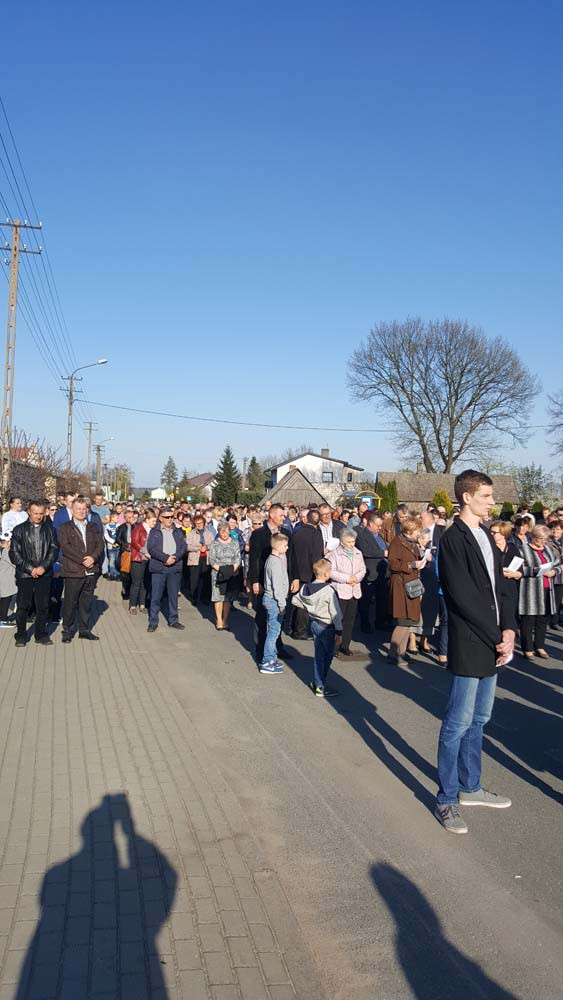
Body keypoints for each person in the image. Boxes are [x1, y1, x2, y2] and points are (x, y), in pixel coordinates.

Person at [436, 470, 516, 835]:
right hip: (470, 642)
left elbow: (500, 588)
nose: (492, 502)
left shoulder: (485, 534)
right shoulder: (453, 539)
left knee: (480, 719)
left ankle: (471, 787)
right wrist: (496, 635)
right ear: (466, 497)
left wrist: (510, 629)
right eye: (486, 496)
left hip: (494, 641)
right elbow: (462, 596)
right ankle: (447, 798)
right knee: (457, 722)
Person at [248, 503, 298, 664]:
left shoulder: (286, 533)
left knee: (279, 617)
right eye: (281, 515)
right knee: (262, 617)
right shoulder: (259, 534)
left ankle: (278, 646)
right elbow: (254, 559)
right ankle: (261, 651)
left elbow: (292, 557)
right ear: (272, 515)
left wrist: (295, 577)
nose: (284, 518)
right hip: (265, 583)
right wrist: (255, 581)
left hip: (283, 582)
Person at [9, 501, 58, 647]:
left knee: (43, 605)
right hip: (25, 574)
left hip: (44, 573)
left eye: (41, 513)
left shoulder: (50, 529)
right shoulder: (19, 530)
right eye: (35, 513)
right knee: (23, 605)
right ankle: (21, 635)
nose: (38, 516)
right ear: (29, 512)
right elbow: (14, 554)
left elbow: (54, 550)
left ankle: (41, 634)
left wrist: (43, 567)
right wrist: (31, 569)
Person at [292, 557, 343, 696]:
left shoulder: (306, 587)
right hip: (327, 626)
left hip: (315, 623)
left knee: (319, 655)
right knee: (327, 656)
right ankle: (320, 685)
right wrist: (339, 630)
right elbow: (335, 613)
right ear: (326, 574)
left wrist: (309, 608)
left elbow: (294, 600)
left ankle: (318, 682)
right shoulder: (329, 590)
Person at [59, 497, 104, 642]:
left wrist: (93, 558)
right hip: (73, 570)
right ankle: (67, 630)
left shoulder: (93, 526)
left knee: (86, 603)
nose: (81, 511)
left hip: (91, 570)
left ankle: (84, 630)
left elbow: (100, 544)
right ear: (72, 510)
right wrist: (83, 560)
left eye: (84, 508)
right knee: (70, 602)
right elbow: (65, 547)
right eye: (78, 508)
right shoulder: (65, 527)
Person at [387, 517, 425, 665]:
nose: (419, 534)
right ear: (410, 531)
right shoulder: (397, 542)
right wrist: (411, 565)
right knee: (402, 621)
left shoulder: (412, 543)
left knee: (408, 621)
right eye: (417, 531)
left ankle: (401, 652)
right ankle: (393, 654)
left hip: (411, 584)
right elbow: (393, 564)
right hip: (401, 585)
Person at [518, 524, 559, 659]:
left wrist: (554, 571)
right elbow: (518, 569)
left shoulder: (548, 549)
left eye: (545, 539)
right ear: (533, 537)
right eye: (541, 538)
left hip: (547, 589)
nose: (543, 541)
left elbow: (558, 564)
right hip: (530, 590)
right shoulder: (523, 549)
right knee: (528, 620)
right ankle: (528, 648)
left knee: (542, 619)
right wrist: (536, 571)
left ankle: (540, 646)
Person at [327, 528, 366, 659]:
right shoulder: (334, 554)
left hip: (354, 590)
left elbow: (363, 569)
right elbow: (331, 571)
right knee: (338, 620)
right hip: (341, 590)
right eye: (348, 542)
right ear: (342, 542)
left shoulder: (358, 553)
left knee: (350, 620)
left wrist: (356, 578)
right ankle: (334, 646)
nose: (351, 544)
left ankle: (345, 645)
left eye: (353, 541)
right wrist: (347, 578)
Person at [146, 506, 187, 632]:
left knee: (173, 596)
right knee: (156, 596)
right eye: (167, 517)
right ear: (160, 518)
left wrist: (175, 557)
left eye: (172, 517)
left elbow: (183, 547)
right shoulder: (154, 531)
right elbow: (151, 548)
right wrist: (165, 558)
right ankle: (153, 621)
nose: (170, 519)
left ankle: (173, 620)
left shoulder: (178, 531)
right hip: (159, 567)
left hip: (174, 567)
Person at [259, 532, 289, 673]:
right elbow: (277, 586)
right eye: (285, 545)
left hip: (272, 599)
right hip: (274, 600)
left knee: (274, 631)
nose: (287, 547)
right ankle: (267, 661)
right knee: (273, 632)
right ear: (277, 546)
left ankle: (272, 658)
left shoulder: (273, 560)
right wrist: (282, 604)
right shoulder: (275, 562)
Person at [290, 510, 323, 640]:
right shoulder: (316, 535)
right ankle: (300, 631)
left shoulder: (297, 532)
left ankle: (293, 627)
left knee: (295, 600)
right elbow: (316, 556)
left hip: (296, 570)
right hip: (309, 572)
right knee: (304, 604)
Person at [355, 513, 388, 632]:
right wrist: (383, 553)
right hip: (370, 572)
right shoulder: (362, 535)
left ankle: (380, 622)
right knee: (366, 601)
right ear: (370, 524)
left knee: (382, 599)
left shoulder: (379, 536)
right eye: (378, 526)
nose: (380, 528)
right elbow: (366, 551)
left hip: (382, 572)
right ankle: (365, 624)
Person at [208, 520, 241, 631]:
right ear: (219, 532)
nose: (225, 534)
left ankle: (225, 620)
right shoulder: (214, 543)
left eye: (226, 531)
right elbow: (212, 560)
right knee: (218, 598)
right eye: (222, 531)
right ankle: (219, 620)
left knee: (228, 598)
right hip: (218, 573)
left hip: (231, 572)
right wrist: (222, 570)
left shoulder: (235, 543)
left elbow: (237, 558)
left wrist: (231, 570)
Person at [129, 509, 157, 614]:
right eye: (153, 521)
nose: (155, 523)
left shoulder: (154, 530)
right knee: (136, 583)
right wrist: (145, 552)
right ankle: (132, 605)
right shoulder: (138, 528)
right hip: (138, 558)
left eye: (155, 521)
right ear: (147, 519)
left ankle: (142, 604)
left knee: (145, 583)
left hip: (149, 560)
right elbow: (135, 542)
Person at [186, 512, 214, 606]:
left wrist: (207, 547)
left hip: (206, 558)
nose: (199, 525)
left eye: (201, 523)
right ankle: (194, 597)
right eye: (197, 523)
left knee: (206, 579)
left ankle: (205, 597)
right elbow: (187, 546)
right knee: (194, 580)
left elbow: (213, 544)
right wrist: (198, 548)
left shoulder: (209, 533)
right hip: (195, 558)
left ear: (204, 523)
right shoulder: (191, 533)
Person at [116, 508, 138, 602]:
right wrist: (125, 545)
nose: (130, 519)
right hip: (125, 551)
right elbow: (118, 539)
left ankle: (132, 592)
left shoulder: (136, 526)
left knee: (134, 573)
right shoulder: (121, 527)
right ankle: (125, 590)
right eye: (128, 517)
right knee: (125, 573)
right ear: (125, 518)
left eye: (132, 517)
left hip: (135, 551)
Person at [0, 530, 17, 627]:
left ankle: (3, 618)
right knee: (6, 599)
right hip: (5, 579)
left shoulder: (3, 550)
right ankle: (3, 619)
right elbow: (15, 563)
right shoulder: (6, 551)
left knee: (5, 598)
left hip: (5, 578)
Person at [549, 519, 563, 629]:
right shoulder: (548, 542)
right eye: (553, 529)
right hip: (555, 574)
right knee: (555, 599)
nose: (555, 531)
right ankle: (553, 621)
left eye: (558, 529)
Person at [104, 511, 120, 580]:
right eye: (117, 518)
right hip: (111, 547)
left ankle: (117, 574)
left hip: (118, 546)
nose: (118, 519)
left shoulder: (118, 525)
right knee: (112, 560)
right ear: (112, 518)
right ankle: (112, 574)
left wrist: (118, 542)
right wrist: (113, 542)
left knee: (117, 560)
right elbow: (106, 536)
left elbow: (120, 535)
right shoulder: (107, 526)